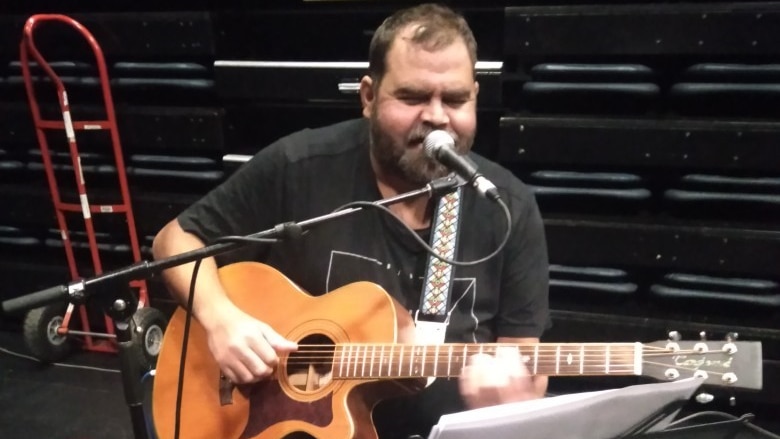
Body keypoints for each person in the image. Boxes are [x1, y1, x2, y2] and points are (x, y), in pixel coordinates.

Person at [152, 3, 549, 438]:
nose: (437, 117)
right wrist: (223, 321)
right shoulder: (298, 165)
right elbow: (176, 240)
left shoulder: (506, 205)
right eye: (413, 97)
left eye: (454, 99)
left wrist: (512, 405)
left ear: (475, 96)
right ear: (368, 97)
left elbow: (525, 362)